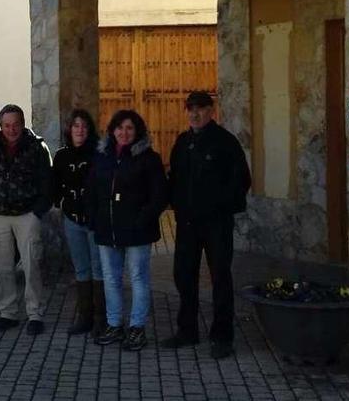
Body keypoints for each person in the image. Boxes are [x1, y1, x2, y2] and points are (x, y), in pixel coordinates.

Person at [160, 91, 251, 359]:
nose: (194, 114)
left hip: (216, 224)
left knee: (220, 278)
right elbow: (174, 179)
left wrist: (220, 207)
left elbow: (241, 181)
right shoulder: (182, 142)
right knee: (184, 276)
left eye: (200, 108)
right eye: (190, 109)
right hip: (187, 223)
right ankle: (187, 331)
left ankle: (222, 337)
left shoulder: (226, 142)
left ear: (212, 110)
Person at [88, 109, 167, 351]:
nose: (124, 132)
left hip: (137, 232)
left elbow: (159, 195)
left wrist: (142, 219)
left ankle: (137, 327)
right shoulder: (102, 157)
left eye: (129, 128)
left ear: (137, 131)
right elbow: (91, 190)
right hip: (107, 230)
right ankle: (114, 324)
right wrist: (95, 219)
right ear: (112, 131)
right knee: (111, 279)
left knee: (138, 278)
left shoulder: (149, 159)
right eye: (120, 128)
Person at [0, 104, 53, 335]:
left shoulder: (37, 147)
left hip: (27, 215)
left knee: (32, 265)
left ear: (23, 124)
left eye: (15, 125)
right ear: (0, 126)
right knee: (1, 267)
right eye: (6, 125)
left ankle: (34, 313)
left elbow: (47, 181)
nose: (11, 129)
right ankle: (8, 312)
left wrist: (37, 212)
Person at [53, 108, 105, 335]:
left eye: (84, 126)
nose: (80, 130)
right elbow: (54, 184)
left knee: (98, 268)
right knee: (81, 268)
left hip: (94, 221)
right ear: (69, 129)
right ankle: (84, 316)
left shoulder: (99, 154)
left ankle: (101, 318)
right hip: (72, 219)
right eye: (76, 126)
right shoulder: (62, 156)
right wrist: (62, 203)